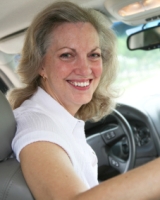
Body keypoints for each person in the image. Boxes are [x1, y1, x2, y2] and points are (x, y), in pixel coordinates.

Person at [8, 1, 160, 200]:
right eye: (67, 55)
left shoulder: (57, 117)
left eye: (93, 55)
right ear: (41, 66)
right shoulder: (37, 126)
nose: (85, 69)